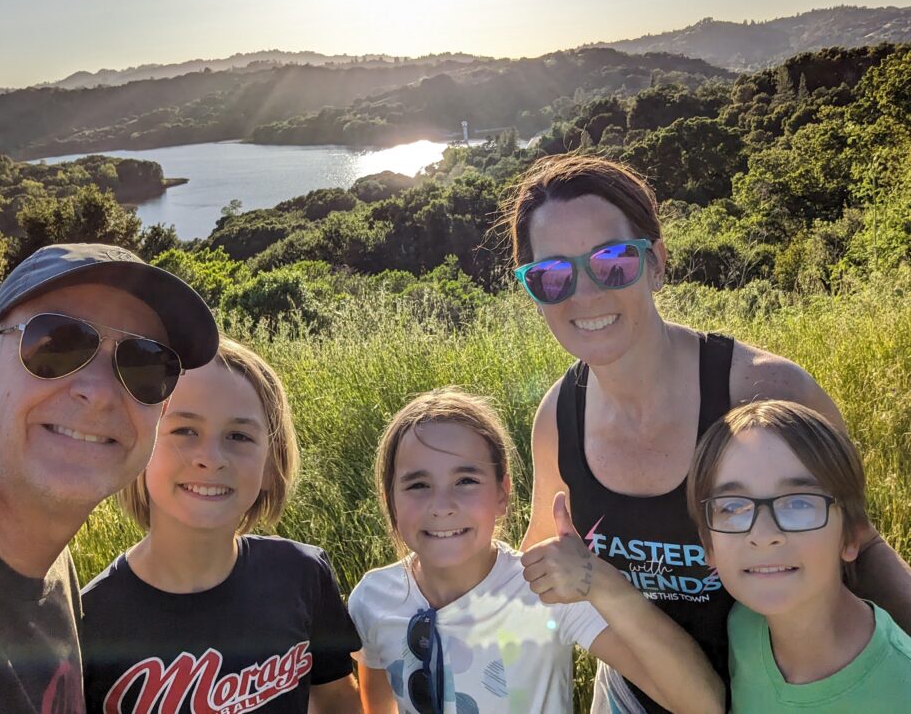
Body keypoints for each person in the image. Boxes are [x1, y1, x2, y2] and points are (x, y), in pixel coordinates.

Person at [511, 154, 911, 713]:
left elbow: (859, 544)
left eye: (612, 262)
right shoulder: (559, 417)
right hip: (634, 693)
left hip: (787, 694)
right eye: (551, 275)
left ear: (656, 263)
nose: (585, 293)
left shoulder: (765, 391)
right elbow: (548, 552)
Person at [0, 243, 219, 713]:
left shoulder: (52, 567)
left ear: (160, 411)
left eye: (145, 365)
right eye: (58, 344)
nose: (100, 393)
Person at [348, 388, 723, 714]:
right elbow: (377, 703)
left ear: (502, 495)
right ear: (389, 500)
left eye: (465, 480)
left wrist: (600, 581)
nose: (442, 504)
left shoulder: (545, 591)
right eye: (417, 484)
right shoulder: (373, 598)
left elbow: (701, 703)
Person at [80, 336, 362, 714]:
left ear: (270, 464)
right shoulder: (89, 620)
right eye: (184, 431)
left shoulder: (302, 575)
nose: (211, 459)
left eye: (239, 436)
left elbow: (337, 699)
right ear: (141, 445)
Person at [686, 400, 911, 712]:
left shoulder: (901, 687)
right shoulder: (742, 627)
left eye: (798, 504)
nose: (763, 536)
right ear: (708, 545)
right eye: (732, 508)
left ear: (851, 534)